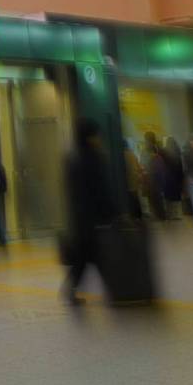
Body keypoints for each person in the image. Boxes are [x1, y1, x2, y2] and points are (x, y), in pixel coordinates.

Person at [62, 118, 116, 306]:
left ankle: (71, 290)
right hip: (94, 217)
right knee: (98, 256)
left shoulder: (71, 158)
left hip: (79, 217)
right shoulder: (94, 157)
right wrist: (110, 211)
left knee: (85, 257)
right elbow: (101, 188)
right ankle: (114, 290)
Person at [142, 132, 167, 220]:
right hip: (159, 174)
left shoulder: (147, 148)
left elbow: (144, 162)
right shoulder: (159, 148)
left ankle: (157, 215)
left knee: (152, 196)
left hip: (151, 175)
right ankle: (161, 215)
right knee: (158, 196)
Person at [162, 137, 185, 220]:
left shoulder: (164, 152)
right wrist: (182, 179)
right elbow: (180, 167)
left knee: (168, 198)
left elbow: (162, 166)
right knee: (177, 198)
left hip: (167, 178)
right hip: (176, 178)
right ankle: (178, 215)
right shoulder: (178, 152)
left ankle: (170, 214)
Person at [122, 141, 144, 220]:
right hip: (135, 178)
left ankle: (135, 215)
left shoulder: (122, 155)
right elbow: (138, 166)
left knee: (132, 198)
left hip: (129, 179)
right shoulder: (132, 154)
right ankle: (138, 215)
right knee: (135, 197)